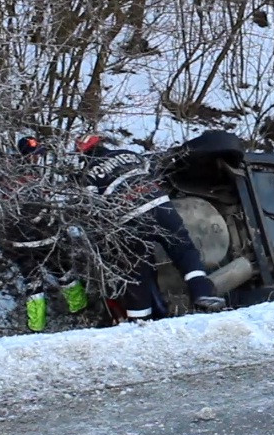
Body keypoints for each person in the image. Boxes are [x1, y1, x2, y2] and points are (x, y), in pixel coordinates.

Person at [74, 133, 226, 322]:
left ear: (83, 155)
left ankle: (140, 321)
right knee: (183, 248)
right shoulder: (127, 153)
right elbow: (152, 173)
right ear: (102, 144)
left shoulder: (87, 175)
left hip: (128, 219)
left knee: (137, 270)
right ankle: (202, 292)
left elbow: (92, 208)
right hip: (159, 204)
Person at [0, 136, 89, 332]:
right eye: (34, 155)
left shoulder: (8, 176)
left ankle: (41, 325)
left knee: (40, 281)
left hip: (28, 241)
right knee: (56, 276)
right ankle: (78, 313)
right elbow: (39, 207)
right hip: (36, 239)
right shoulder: (24, 179)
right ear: (26, 156)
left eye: (38, 155)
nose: (37, 159)